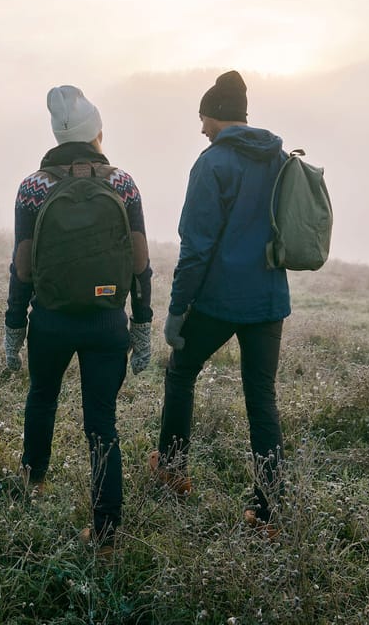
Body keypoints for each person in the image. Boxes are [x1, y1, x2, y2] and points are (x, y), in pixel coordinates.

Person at [4, 85, 153, 554]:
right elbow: (141, 262)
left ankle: (34, 483)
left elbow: (22, 267)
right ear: (96, 134)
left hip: (49, 319)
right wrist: (142, 326)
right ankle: (107, 538)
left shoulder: (33, 187)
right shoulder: (123, 184)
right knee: (102, 425)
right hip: (108, 322)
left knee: (42, 397)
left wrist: (14, 329)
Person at [150, 70, 290, 534]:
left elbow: (195, 245)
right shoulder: (279, 159)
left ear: (217, 116)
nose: (201, 128)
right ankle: (268, 512)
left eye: (203, 118)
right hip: (268, 298)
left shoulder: (212, 164)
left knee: (181, 371)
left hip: (218, 299)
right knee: (261, 397)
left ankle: (171, 470)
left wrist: (176, 310)